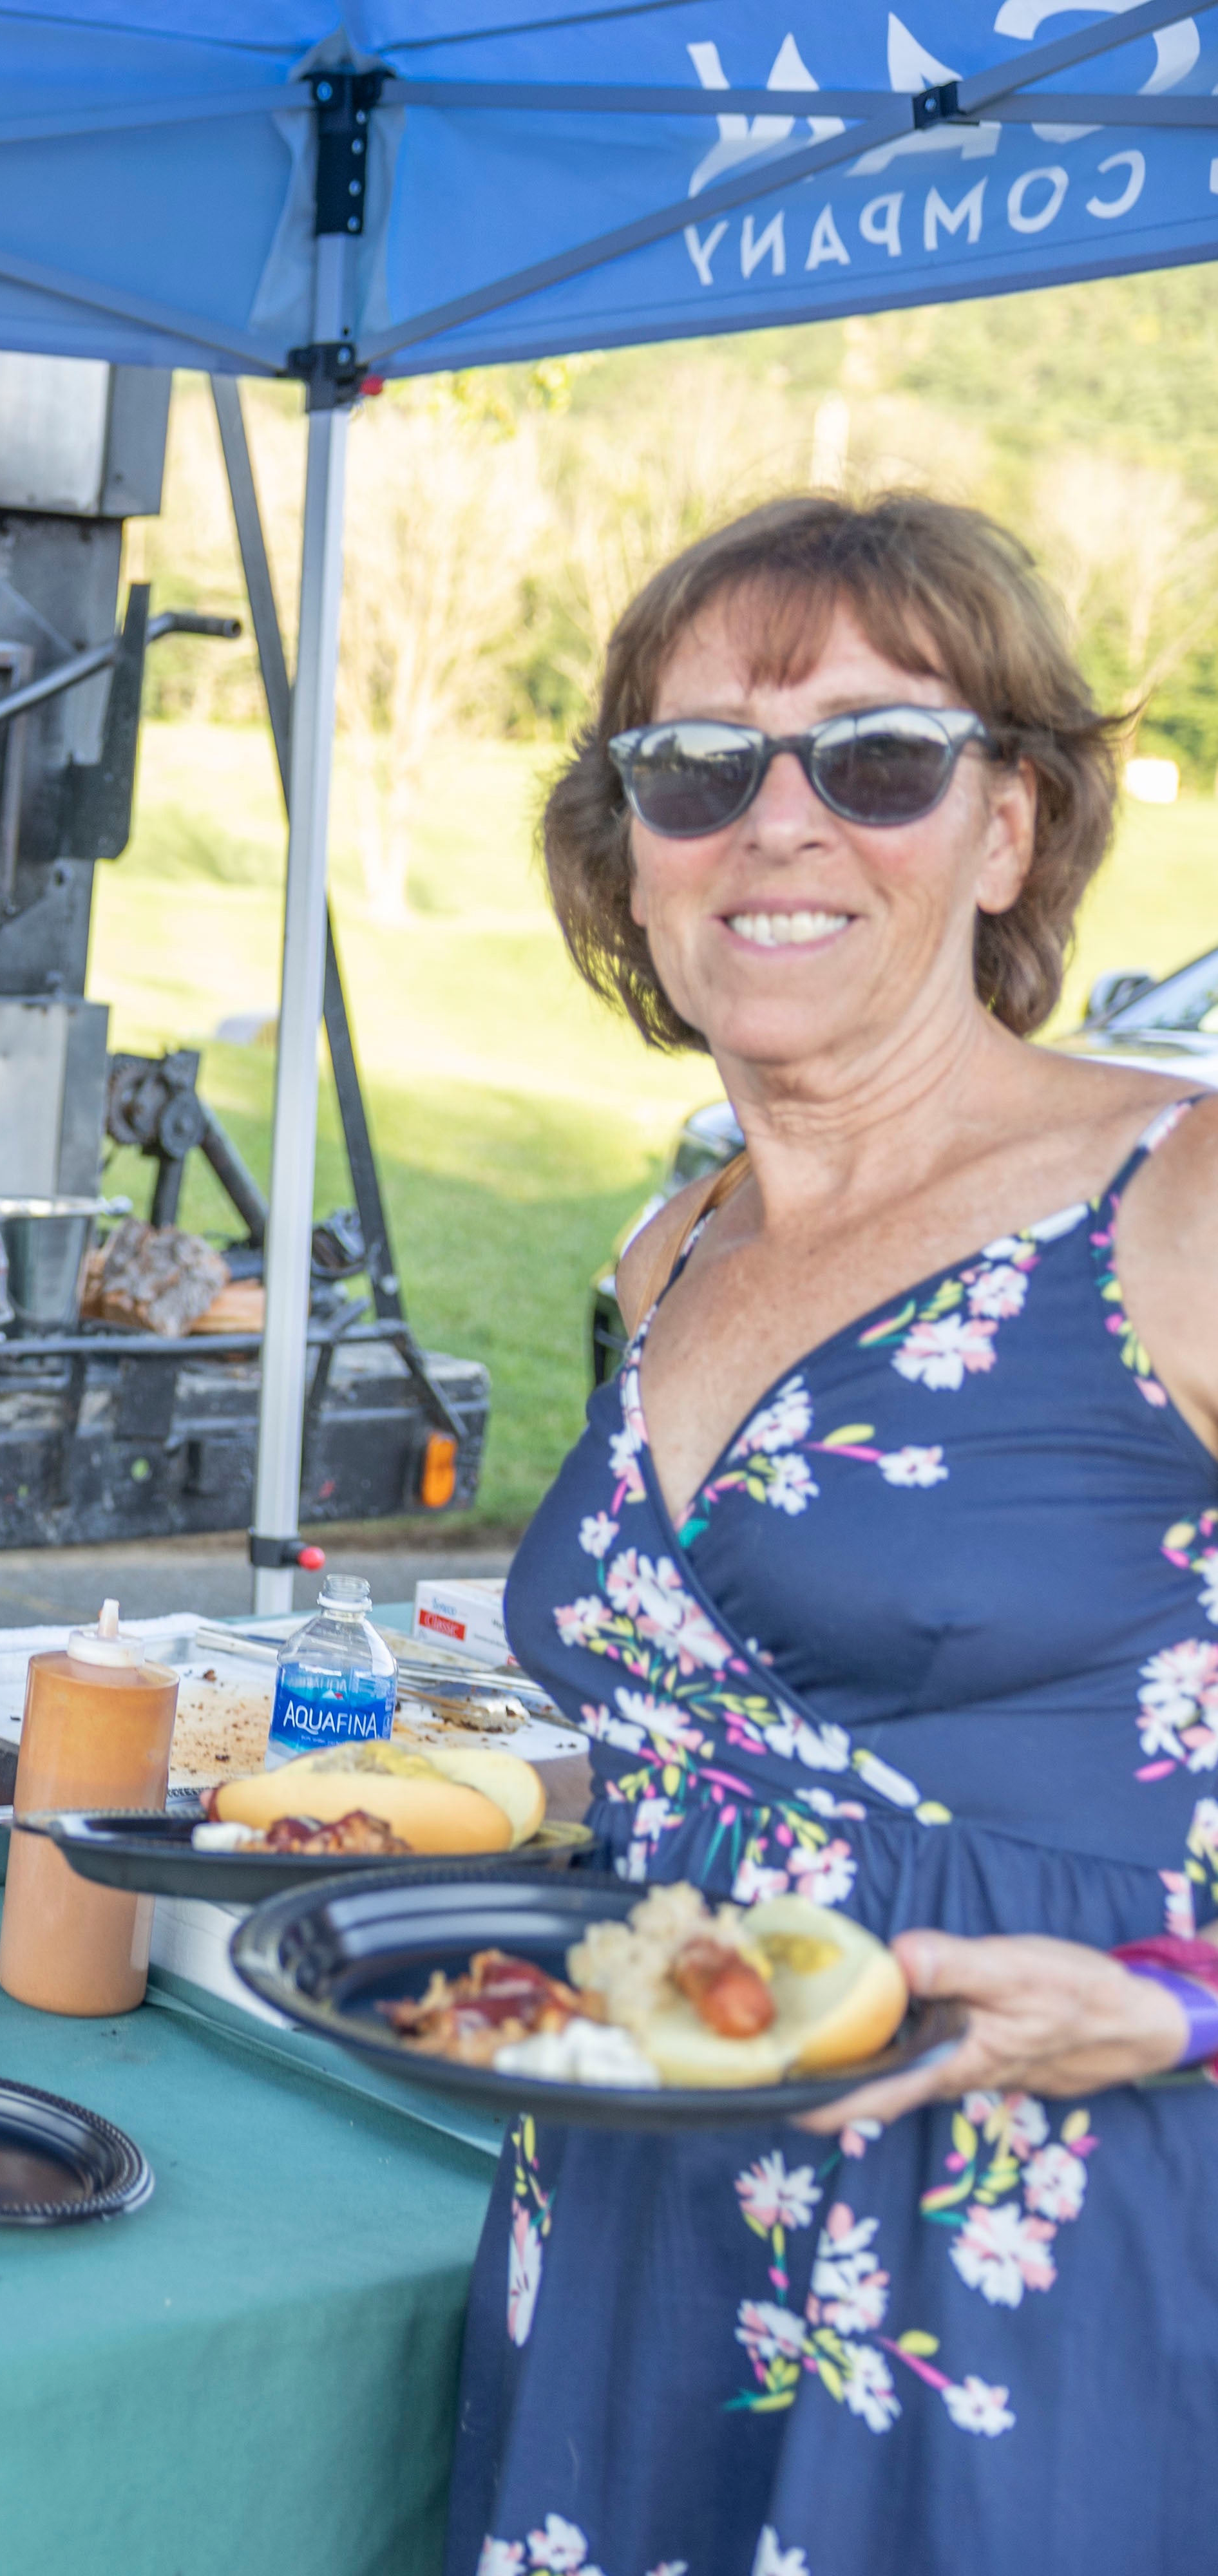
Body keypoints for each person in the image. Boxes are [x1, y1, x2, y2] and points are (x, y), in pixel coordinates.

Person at [450, 491, 1218, 2575]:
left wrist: (1189, 2001)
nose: (777, 824)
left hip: (1034, 2242)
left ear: (1010, 828)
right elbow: (747, 1727)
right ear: (631, 848)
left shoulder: (1174, 1204)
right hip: (635, 2216)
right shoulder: (674, 1243)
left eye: (878, 758)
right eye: (698, 768)